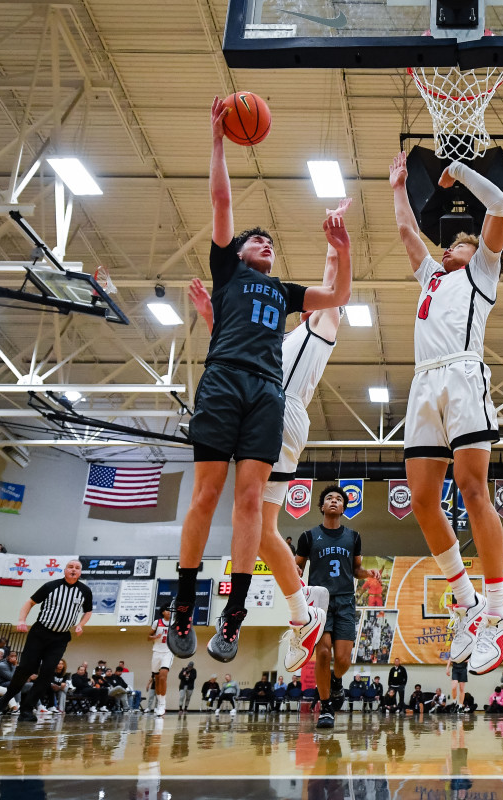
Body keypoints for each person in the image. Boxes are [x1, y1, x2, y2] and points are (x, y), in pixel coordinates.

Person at [166, 97, 351, 669]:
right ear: (239, 253)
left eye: (270, 241)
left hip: (268, 395)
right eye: (257, 240)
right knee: (205, 495)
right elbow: (221, 199)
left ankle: (235, 613)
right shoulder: (229, 271)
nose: (265, 243)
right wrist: (218, 139)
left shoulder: (284, 293)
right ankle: (180, 605)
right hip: (224, 382)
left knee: (250, 503)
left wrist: (339, 253)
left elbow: (337, 298)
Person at [388, 150, 503, 677]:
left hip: (462, 375)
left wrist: (457, 171)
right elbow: (406, 233)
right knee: (421, 499)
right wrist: (399, 187)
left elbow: (500, 203)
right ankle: (465, 603)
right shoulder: (432, 280)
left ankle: (498, 613)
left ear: (475, 250)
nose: (447, 246)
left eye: (457, 242)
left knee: (472, 488)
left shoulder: (482, 273)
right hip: (423, 383)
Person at [293, 484, 380, 730]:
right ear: (322, 506)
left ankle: (335, 680)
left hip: (345, 600)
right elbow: (296, 565)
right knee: (322, 653)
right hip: (319, 601)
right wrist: (295, 569)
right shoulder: (309, 536)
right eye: (329, 498)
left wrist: (368, 574)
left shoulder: (353, 537)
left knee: (342, 660)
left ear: (343, 508)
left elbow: (356, 570)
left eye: (338, 499)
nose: (333, 501)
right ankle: (326, 708)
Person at [0, 559, 92, 722]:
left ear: (80, 572)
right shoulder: (51, 586)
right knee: (26, 668)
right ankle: (7, 698)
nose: (73, 570)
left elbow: (88, 611)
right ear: (65, 570)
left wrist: (81, 624)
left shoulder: (85, 591)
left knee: (47, 673)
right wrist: (22, 620)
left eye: (77, 568)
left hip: (60, 638)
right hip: (39, 633)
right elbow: (30, 602)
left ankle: (27, 709)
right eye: (70, 567)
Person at [147, 606, 173, 716]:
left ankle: (163, 704)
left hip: (168, 652)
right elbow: (148, 637)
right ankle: (159, 703)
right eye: (168, 610)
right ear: (163, 612)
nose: (170, 612)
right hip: (157, 652)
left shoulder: (174, 623)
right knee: (157, 680)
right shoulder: (157, 622)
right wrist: (154, 637)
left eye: (171, 611)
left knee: (163, 676)